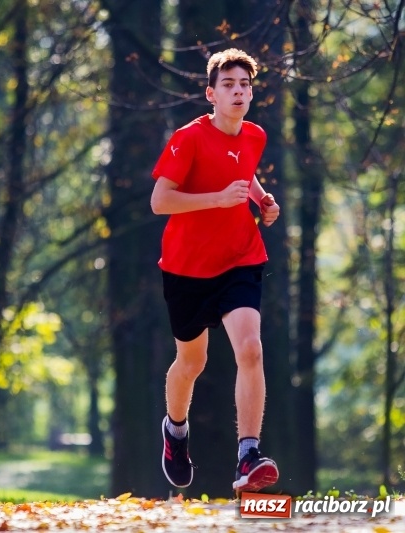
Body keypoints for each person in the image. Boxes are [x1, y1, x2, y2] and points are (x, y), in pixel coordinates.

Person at [149, 48, 281, 493]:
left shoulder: (255, 136)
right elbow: (160, 201)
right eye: (228, 85)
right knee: (192, 362)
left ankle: (248, 454)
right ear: (211, 93)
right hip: (187, 268)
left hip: (241, 257)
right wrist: (218, 198)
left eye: (244, 84)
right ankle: (176, 431)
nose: (238, 91)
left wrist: (260, 200)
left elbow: (244, 170)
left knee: (251, 350)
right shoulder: (189, 138)